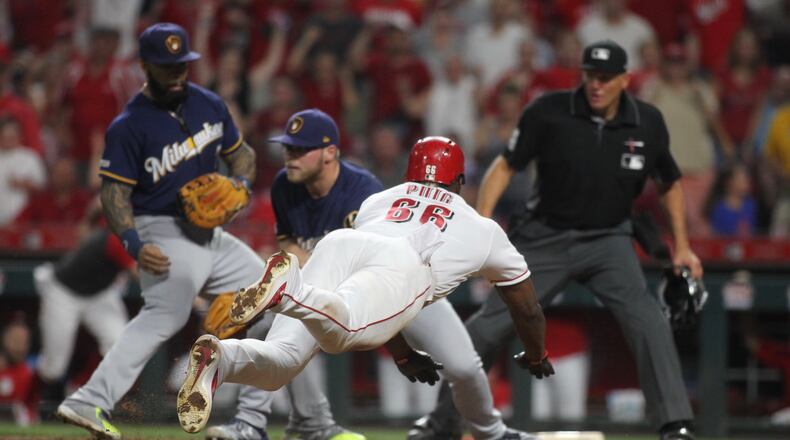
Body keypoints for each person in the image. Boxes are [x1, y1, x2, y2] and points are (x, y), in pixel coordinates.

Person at [411, 40, 704, 440]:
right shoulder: (549, 112)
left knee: (649, 320)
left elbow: (669, 183)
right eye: (590, 76)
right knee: (485, 330)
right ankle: (441, 423)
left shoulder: (647, 122)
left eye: (605, 77)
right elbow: (504, 166)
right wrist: (480, 221)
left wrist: (683, 247)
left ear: (624, 79)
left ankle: (675, 426)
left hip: (609, 239)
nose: (596, 85)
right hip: (544, 237)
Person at [176, 137, 554, 440]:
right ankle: (289, 293)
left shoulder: (381, 199)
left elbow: (375, 296)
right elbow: (527, 309)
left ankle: (221, 358)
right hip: (405, 265)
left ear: (410, 174)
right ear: (459, 182)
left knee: (283, 360)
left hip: (340, 245)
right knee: (341, 336)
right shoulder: (482, 228)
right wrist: (536, 354)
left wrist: (404, 353)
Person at [53, 22, 262, 440]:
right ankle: (86, 400)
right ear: (145, 65)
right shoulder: (129, 125)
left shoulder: (209, 104)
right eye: (167, 66)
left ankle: (260, 421)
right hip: (160, 228)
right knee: (165, 314)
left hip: (210, 235)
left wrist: (239, 184)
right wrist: (134, 242)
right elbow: (113, 195)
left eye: (182, 64)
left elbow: (243, 157)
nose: (177, 72)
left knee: (271, 295)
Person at [206, 108, 373, 440]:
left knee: (462, 363)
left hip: (365, 292)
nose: (290, 156)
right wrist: (265, 291)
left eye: (300, 149)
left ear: (329, 153)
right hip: (319, 292)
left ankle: (292, 424)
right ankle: (297, 424)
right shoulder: (285, 186)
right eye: (288, 148)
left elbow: (366, 262)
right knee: (273, 319)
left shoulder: (363, 190)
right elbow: (292, 249)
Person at [33, 201, 134, 415]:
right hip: (64, 292)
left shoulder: (136, 231)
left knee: (119, 344)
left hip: (99, 294)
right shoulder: (118, 237)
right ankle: (26, 402)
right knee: (53, 368)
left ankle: (83, 389)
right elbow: (143, 275)